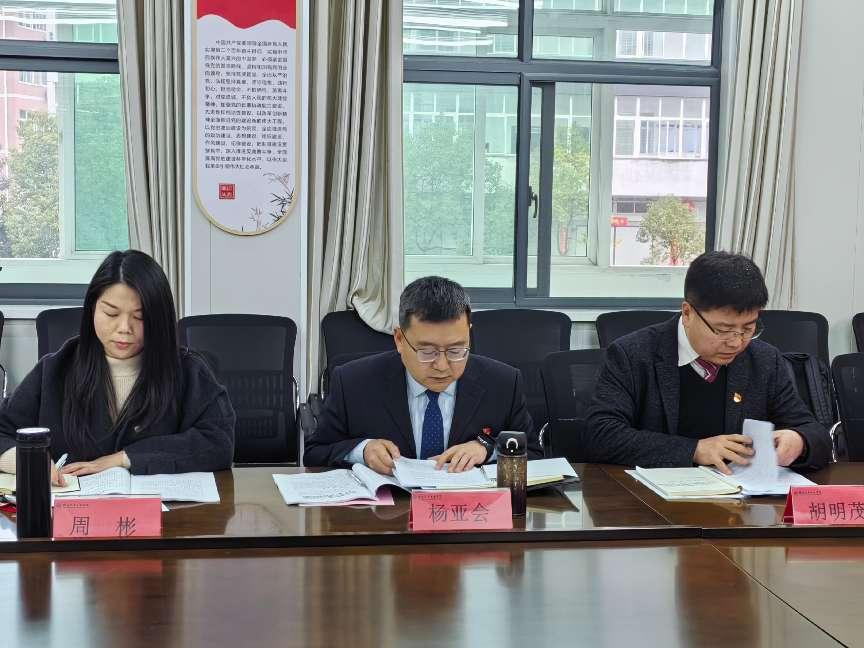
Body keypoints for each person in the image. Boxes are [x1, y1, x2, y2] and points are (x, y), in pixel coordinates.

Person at [0, 250, 235, 484]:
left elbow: (219, 442)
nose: (124, 328)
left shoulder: (188, 371)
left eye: (140, 317)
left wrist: (124, 458)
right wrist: (26, 461)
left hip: (164, 507)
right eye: (111, 313)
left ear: (159, 318)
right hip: (74, 505)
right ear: (92, 309)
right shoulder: (55, 369)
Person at [584, 251, 831, 472]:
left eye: (748, 328)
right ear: (687, 313)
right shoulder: (632, 355)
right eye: (722, 330)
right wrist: (694, 450)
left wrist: (799, 440)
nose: (736, 342)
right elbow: (600, 434)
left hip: (739, 500)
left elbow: (815, 431)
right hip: (650, 500)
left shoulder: (764, 360)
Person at [304, 276, 540, 475]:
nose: (442, 366)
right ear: (399, 339)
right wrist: (362, 451)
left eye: (456, 350)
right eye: (427, 352)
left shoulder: (503, 383)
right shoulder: (353, 381)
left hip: (468, 512)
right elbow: (315, 454)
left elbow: (535, 454)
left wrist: (487, 449)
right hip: (387, 512)